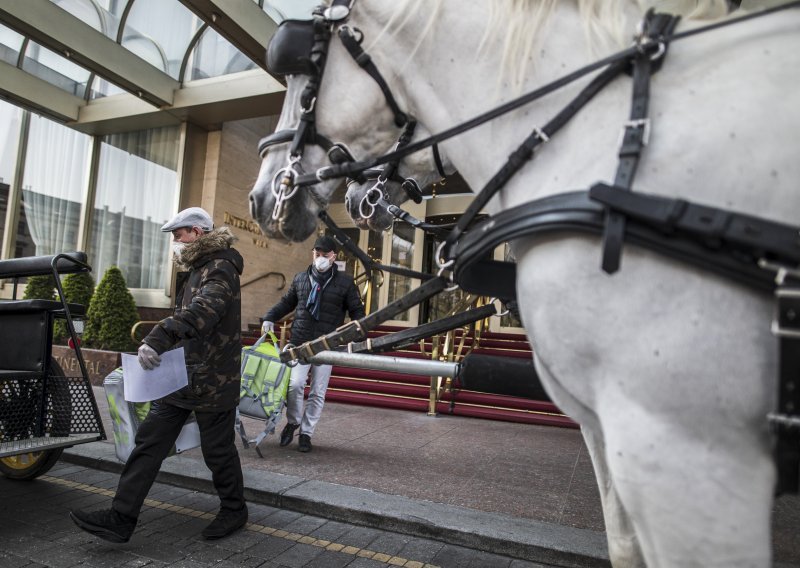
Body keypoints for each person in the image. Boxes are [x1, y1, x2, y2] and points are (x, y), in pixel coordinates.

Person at [70, 207, 247, 543]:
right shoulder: (198, 268)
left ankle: (235, 510)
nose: (175, 242)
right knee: (149, 442)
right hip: (180, 375)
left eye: (178, 235)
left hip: (213, 378)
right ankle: (121, 518)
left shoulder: (220, 267)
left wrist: (160, 336)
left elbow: (204, 311)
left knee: (218, 451)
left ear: (196, 232)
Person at [262, 234, 365, 453]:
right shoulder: (301, 278)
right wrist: (270, 317)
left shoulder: (345, 282)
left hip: (327, 344)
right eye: (316, 254)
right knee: (295, 385)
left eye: (324, 255)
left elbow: (357, 311)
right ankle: (293, 422)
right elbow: (286, 303)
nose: (320, 258)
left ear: (333, 257)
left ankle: (306, 433)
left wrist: (357, 331)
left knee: (318, 391)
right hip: (300, 341)